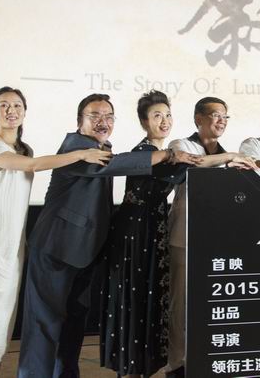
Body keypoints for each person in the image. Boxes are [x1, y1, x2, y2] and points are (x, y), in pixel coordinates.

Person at [17, 93, 177, 378]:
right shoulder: (76, 146)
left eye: (109, 116)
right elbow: (118, 165)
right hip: (55, 249)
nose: (103, 121)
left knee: (73, 326)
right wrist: (167, 154)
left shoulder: (102, 146)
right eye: (95, 116)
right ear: (80, 120)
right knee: (44, 325)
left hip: (84, 252)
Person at [0, 87, 109, 378]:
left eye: (17, 105)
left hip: (11, 238)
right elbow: (33, 166)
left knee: (1, 307)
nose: (11, 110)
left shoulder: (24, 148)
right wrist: (81, 153)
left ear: (24, 112)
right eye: (4, 105)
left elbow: (29, 163)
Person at [99, 91, 201, 378]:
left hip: (153, 232)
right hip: (134, 235)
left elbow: (189, 166)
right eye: (157, 116)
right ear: (144, 122)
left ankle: (140, 369)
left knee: (148, 301)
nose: (164, 121)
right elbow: (184, 168)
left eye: (167, 115)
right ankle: (130, 369)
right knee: (134, 302)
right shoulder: (143, 152)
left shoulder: (168, 153)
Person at [165, 97, 256, 378]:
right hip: (184, 238)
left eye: (225, 117)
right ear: (198, 119)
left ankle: (205, 361)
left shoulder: (230, 156)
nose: (221, 121)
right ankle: (176, 364)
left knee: (210, 306)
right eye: (216, 115)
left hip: (217, 242)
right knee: (180, 306)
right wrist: (228, 159)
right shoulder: (180, 145)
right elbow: (189, 169)